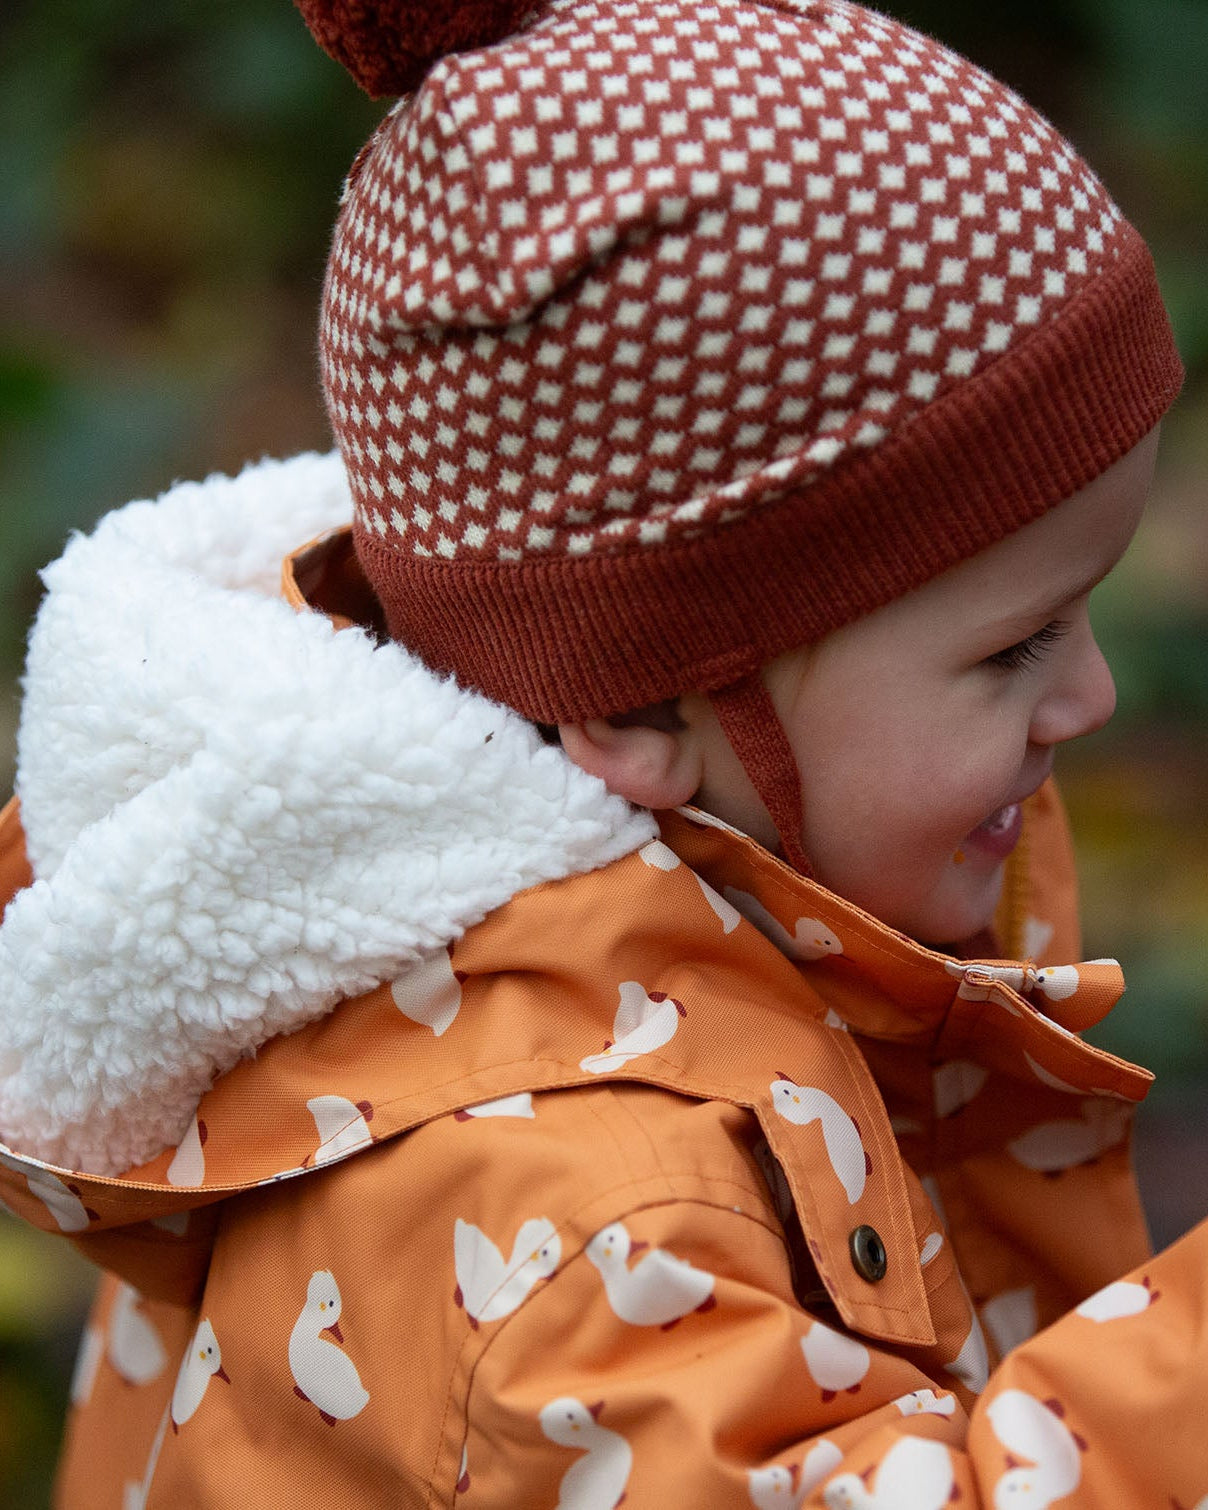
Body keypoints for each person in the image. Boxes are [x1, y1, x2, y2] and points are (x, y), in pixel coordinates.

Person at [0, 0, 1203, 1504]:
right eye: (1012, 647)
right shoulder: (570, 1210)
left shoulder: (741, 880)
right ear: (639, 708)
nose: (1088, 695)